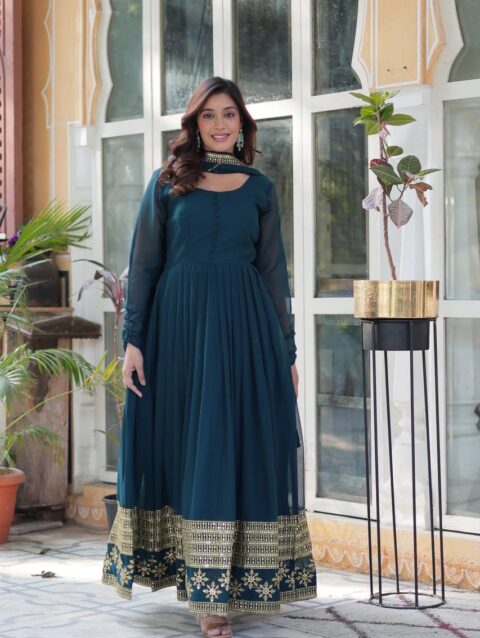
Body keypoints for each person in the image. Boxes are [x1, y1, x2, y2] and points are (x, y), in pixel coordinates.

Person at [102, 76, 317, 637]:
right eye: (209, 115)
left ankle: (229, 584)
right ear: (194, 125)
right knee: (191, 448)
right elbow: (144, 266)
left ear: (243, 124)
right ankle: (205, 595)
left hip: (245, 334)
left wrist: (285, 351)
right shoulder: (167, 182)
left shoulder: (260, 189)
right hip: (179, 334)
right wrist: (133, 340)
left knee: (232, 447)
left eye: (229, 115)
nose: (220, 124)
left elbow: (274, 274)